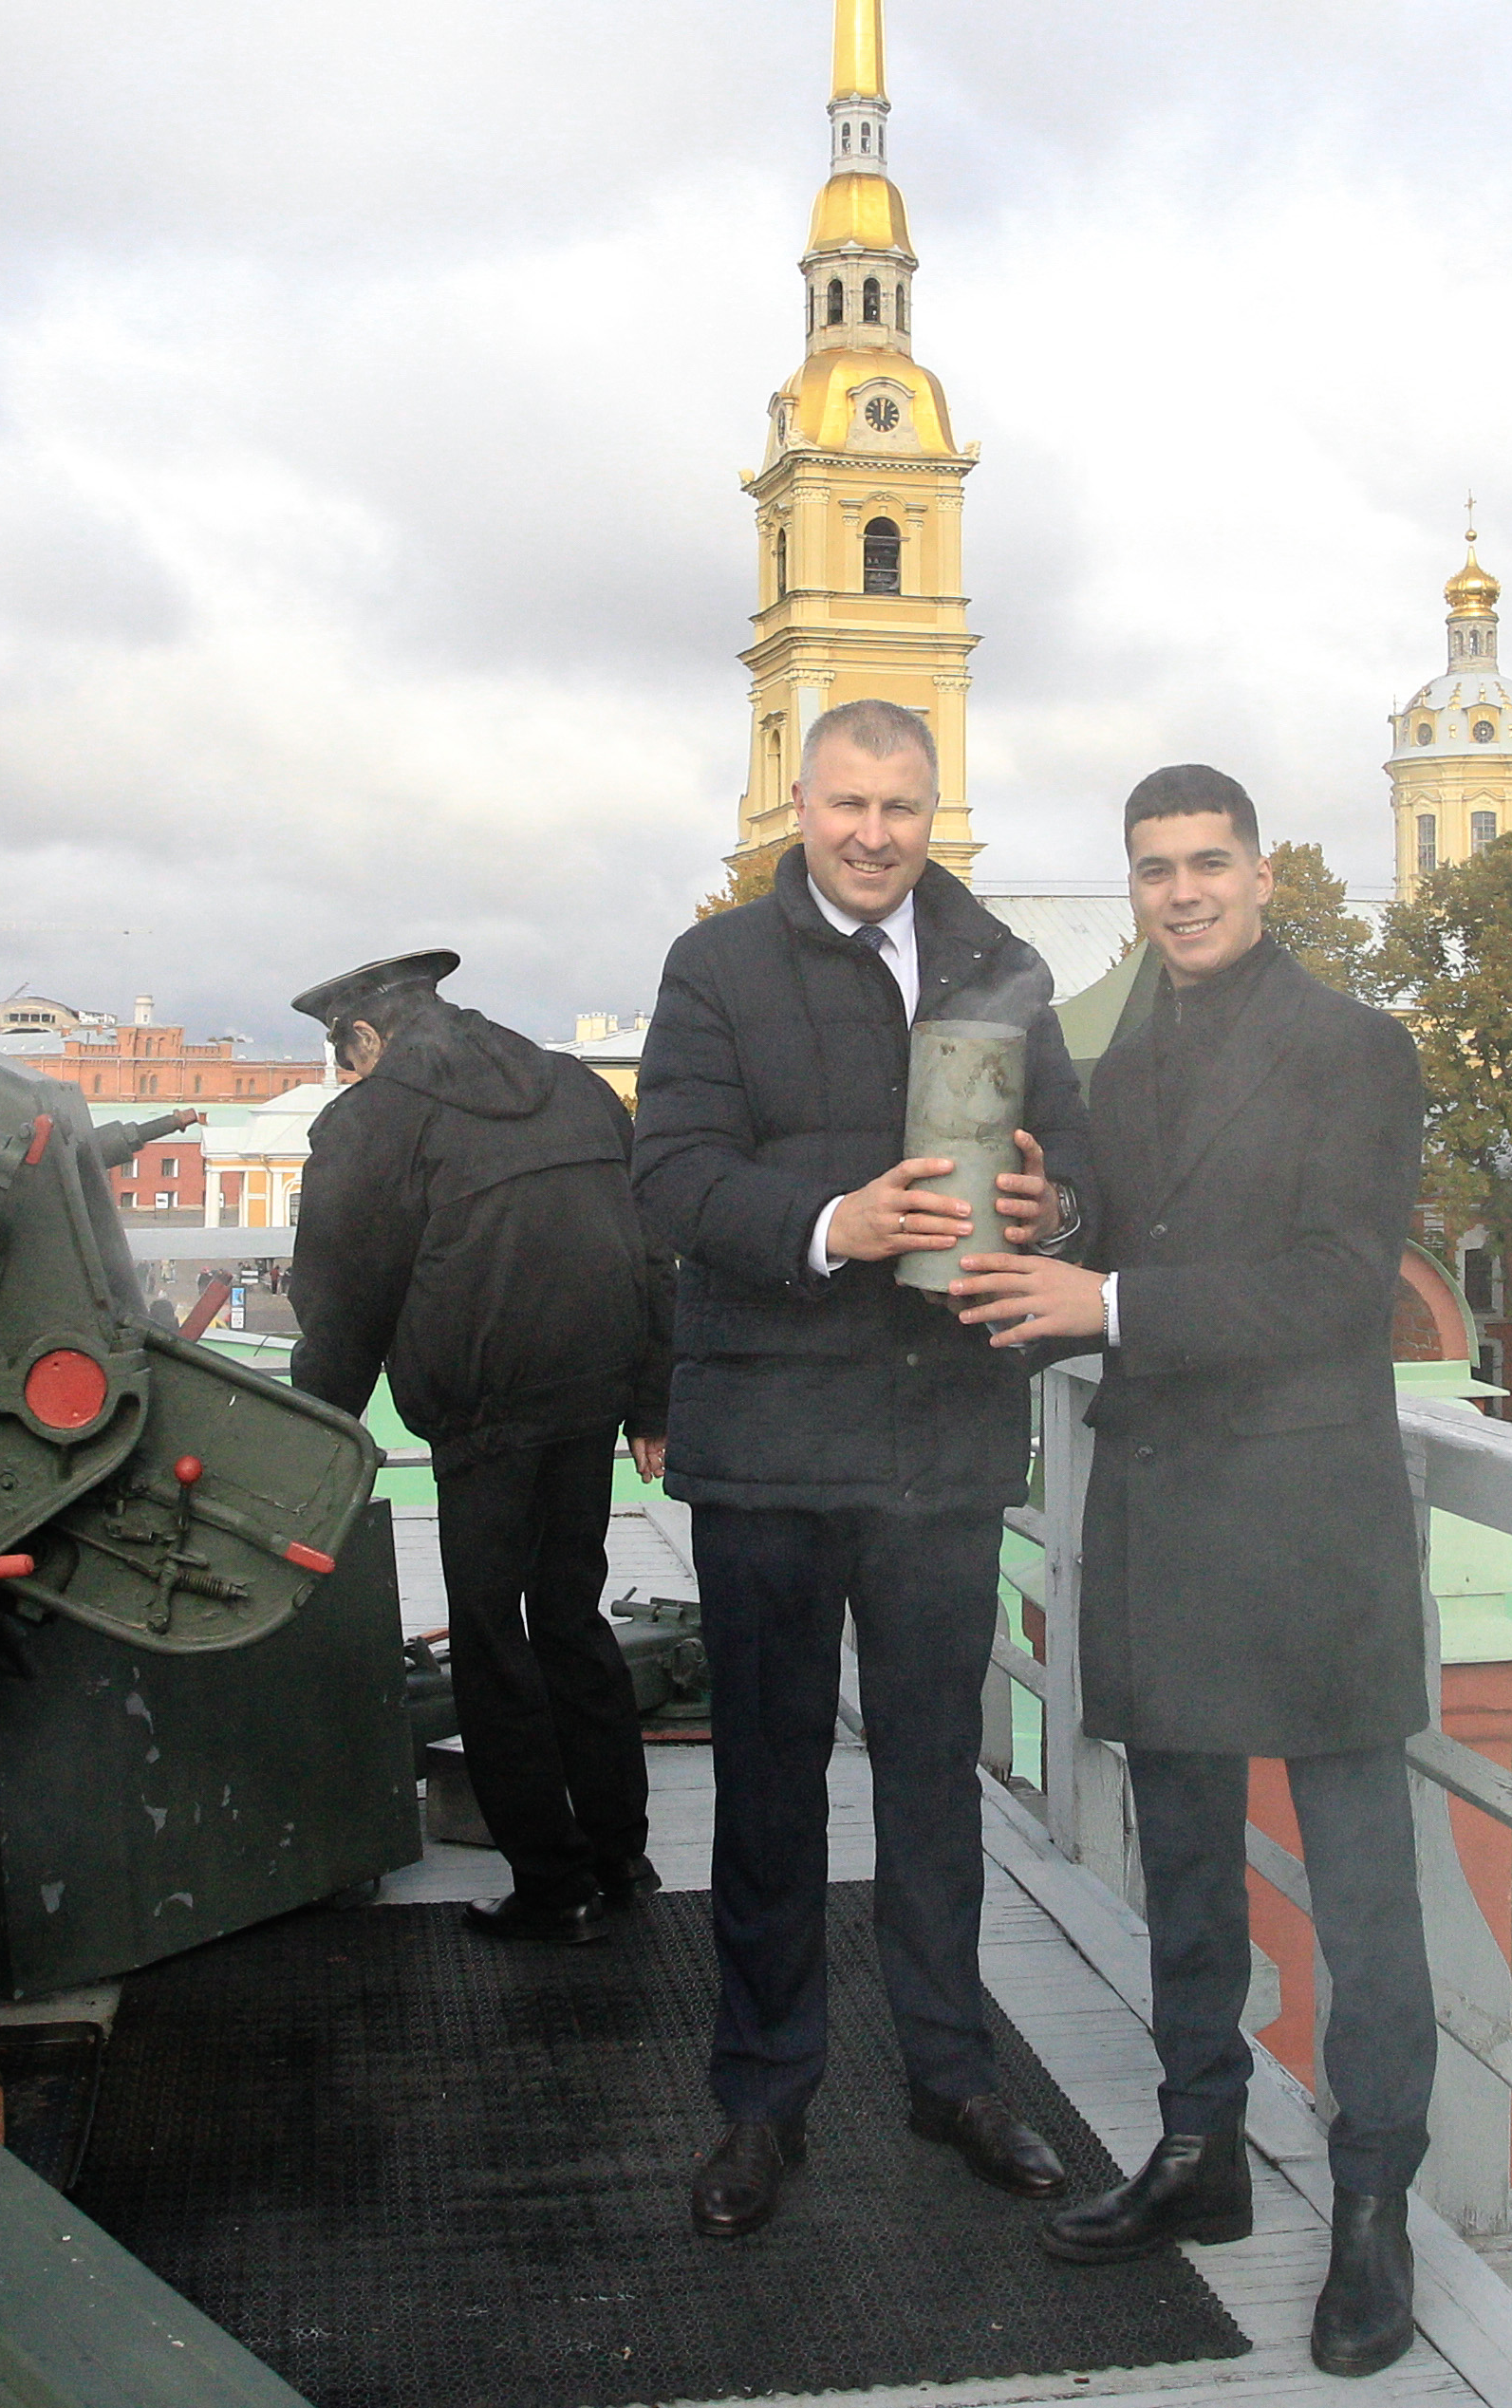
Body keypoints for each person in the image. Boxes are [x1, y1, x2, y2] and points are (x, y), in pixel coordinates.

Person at [950, 763, 1435, 2380]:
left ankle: (1371, 2208)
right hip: (1167, 1503)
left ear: (1263, 872)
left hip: (1310, 1521)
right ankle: (1199, 2149)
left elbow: (1339, 1286)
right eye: (1155, 867)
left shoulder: (1358, 1046)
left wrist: (1105, 1304)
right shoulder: (1121, 1057)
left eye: (1208, 862)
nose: (1182, 892)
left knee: (1363, 1897)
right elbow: (1116, 1234)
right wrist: (1053, 1220)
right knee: (1182, 1870)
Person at [631, 698, 1094, 2238]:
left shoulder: (999, 965)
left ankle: (950, 2077)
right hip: (771, 1446)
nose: (875, 834)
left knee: (933, 1780)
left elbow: (1083, 1171)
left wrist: (1049, 1208)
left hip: (938, 1443)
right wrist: (838, 1222)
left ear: (931, 808)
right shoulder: (717, 967)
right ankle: (763, 2101)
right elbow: (671, 1177)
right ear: (801, 804)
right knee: (768, 1787)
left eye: (901, 806)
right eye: (849, 804)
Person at [288, 949, 675, 1947]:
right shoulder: (575, 1085)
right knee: (571, 1616)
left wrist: (315, 1433)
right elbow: (651, 1242)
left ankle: (552, 1885)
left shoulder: (372, 1118)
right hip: (592, 1388)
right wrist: (650, 1395)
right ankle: (619, 1857)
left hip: (483, 1407)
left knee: (492, 1639)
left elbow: (341, 1298)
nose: (342, 1077)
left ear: (365, 1036)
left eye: (342, 1058)